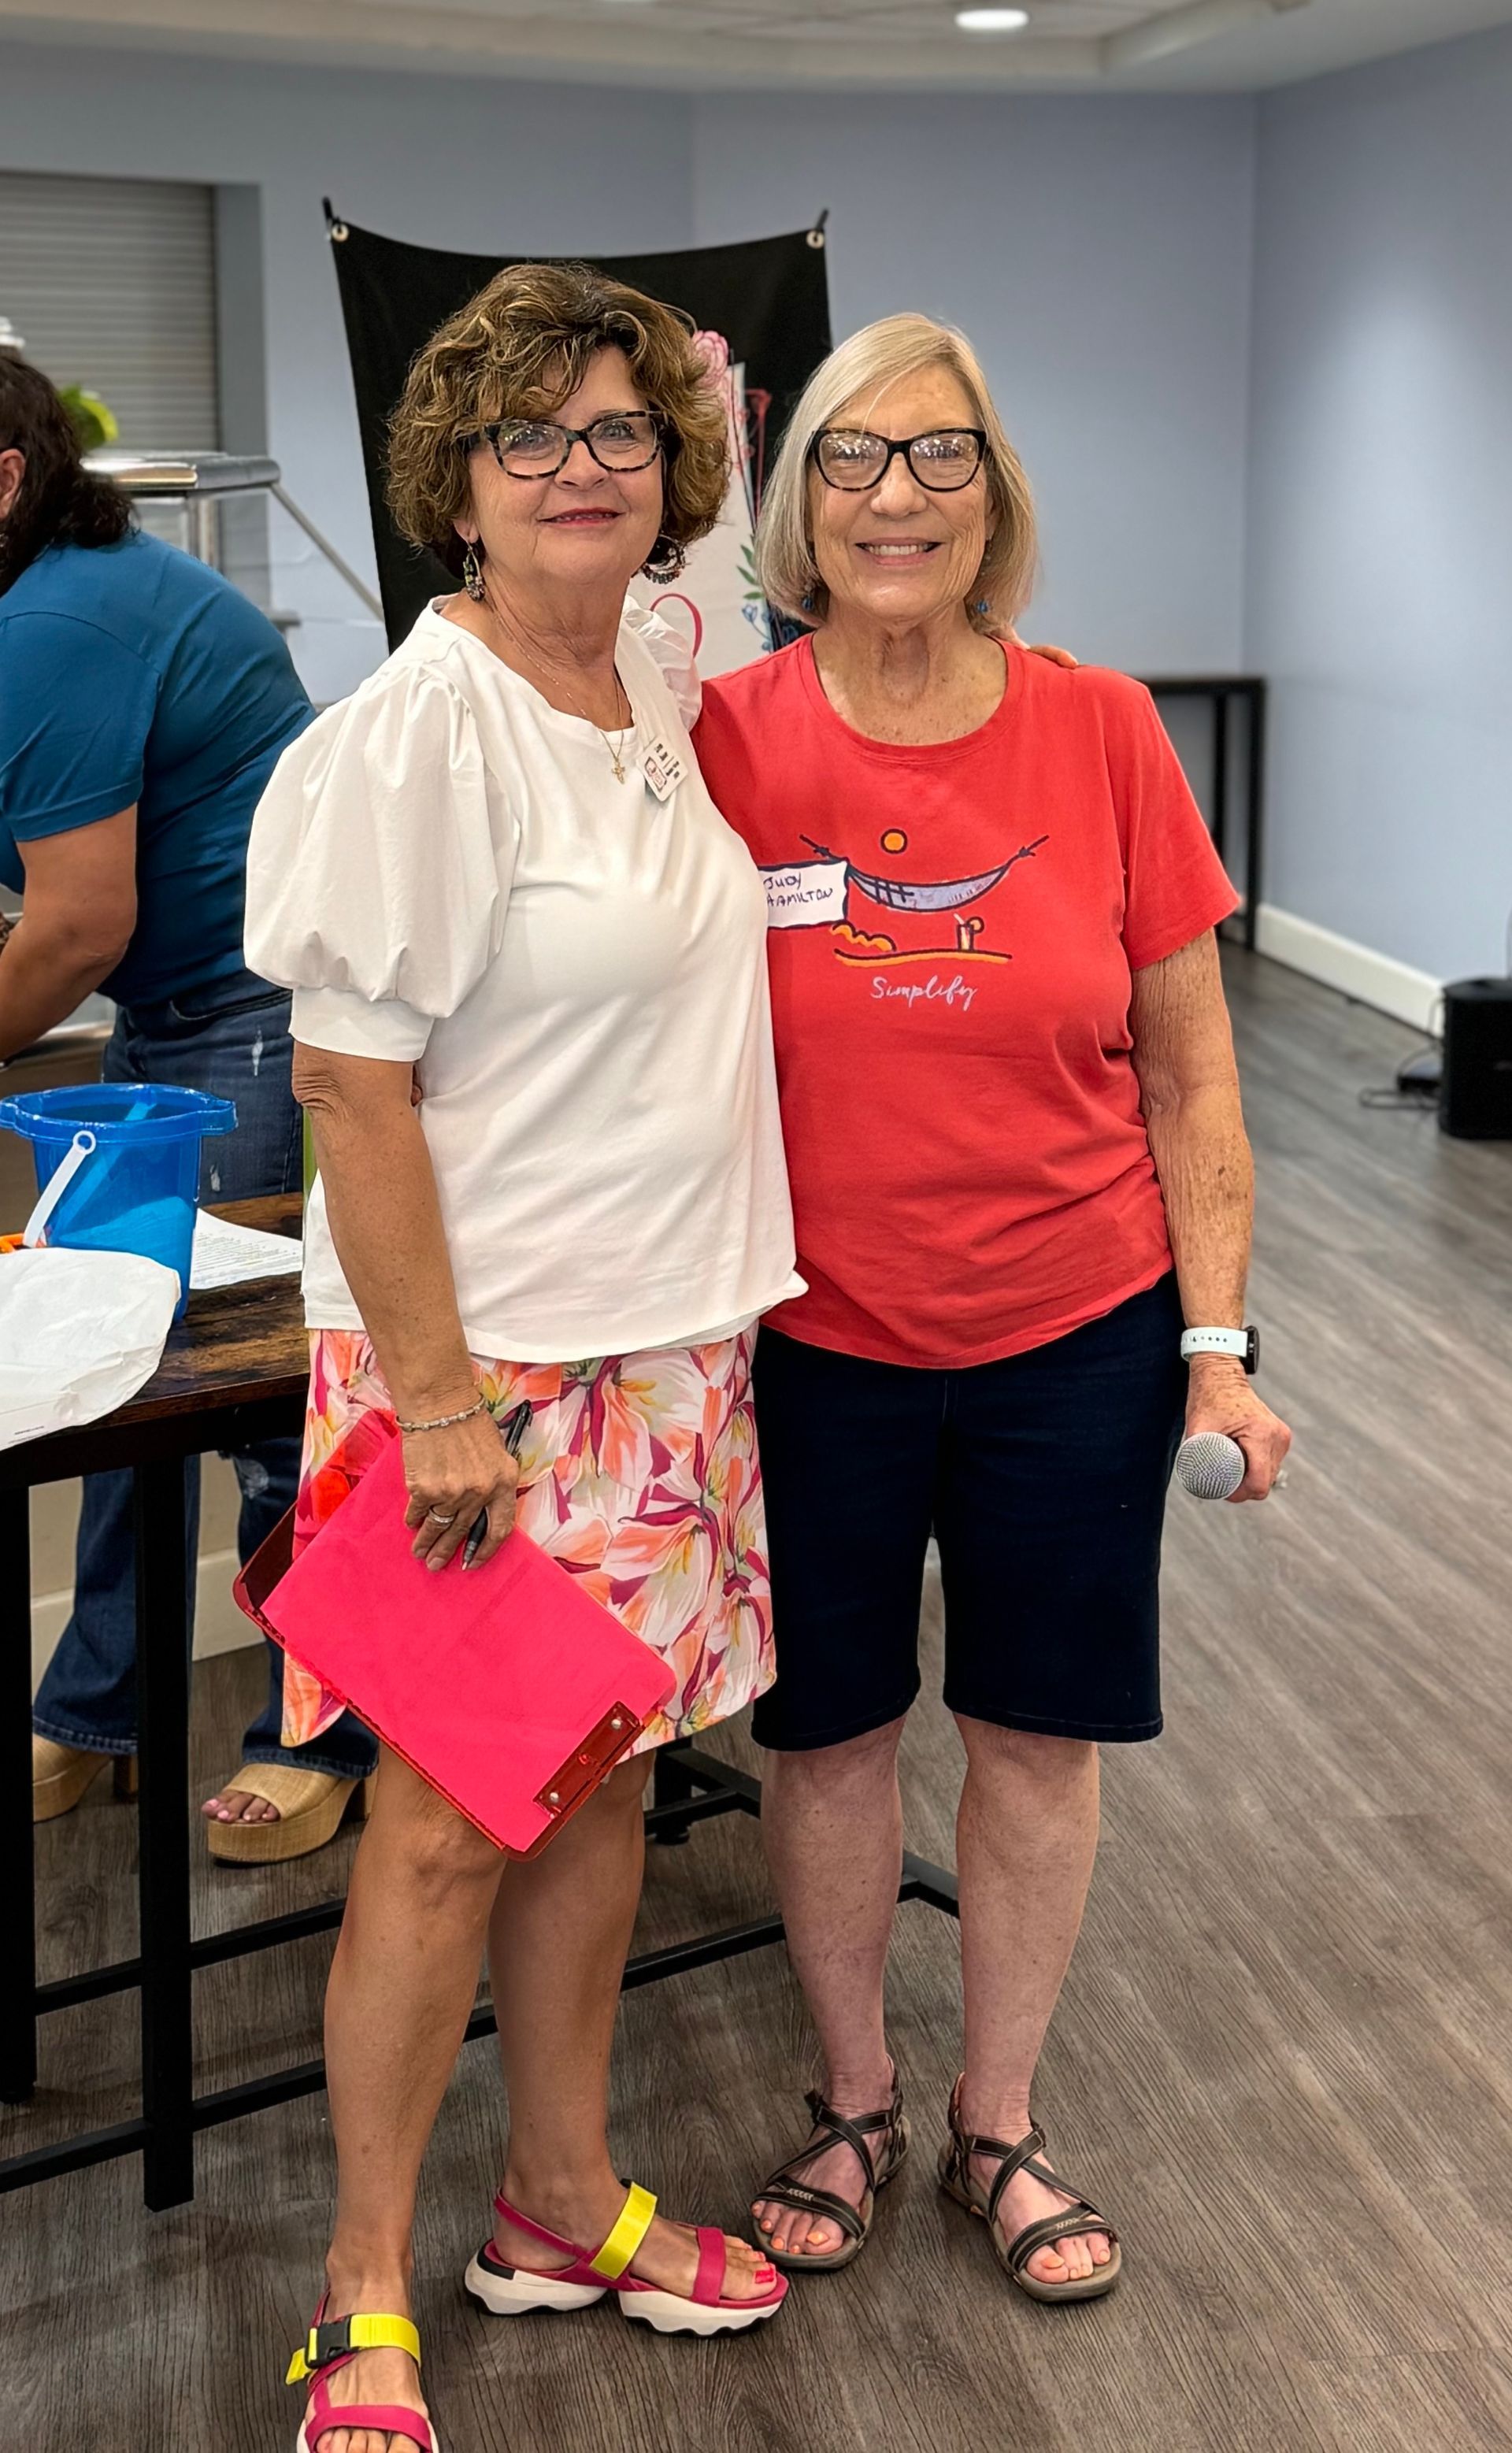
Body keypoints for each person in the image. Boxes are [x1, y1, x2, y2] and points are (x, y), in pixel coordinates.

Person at [243, 262, 794, 2453]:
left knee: (602, 1799)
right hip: (485, 1387)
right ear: (452, 488)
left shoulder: (649, 668)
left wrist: (690, 378)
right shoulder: (413, 735)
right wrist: (448, 1398)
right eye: (529, 437)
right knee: (441, 1837)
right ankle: (361, 2285)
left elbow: (723, 493)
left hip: (666, 1358)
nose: (583, 468)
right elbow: (351, 1097)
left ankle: (560, 2200)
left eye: (620, 434)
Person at [693, 313, 1293, 2301]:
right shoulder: (731, 734)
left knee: (1038, 1733)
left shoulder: (1105, 728)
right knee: (837, 1734)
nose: (898, 498)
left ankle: (998, 2119)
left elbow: (1195, 1073)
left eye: (942, 458)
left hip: (1077, 1330)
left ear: (994, 497)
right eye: (856, 460)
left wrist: (1217, 1344)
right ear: (802, 503)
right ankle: (858, 2098)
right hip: (818, 1339)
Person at [0, 357, 377, 1862]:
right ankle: (104, 1710)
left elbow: (77, 926)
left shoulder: (54, 622)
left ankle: (326, 1728)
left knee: (273, 1404)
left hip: (259, 1011)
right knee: (115, 1363)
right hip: (183, 1011)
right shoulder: (50, 596)